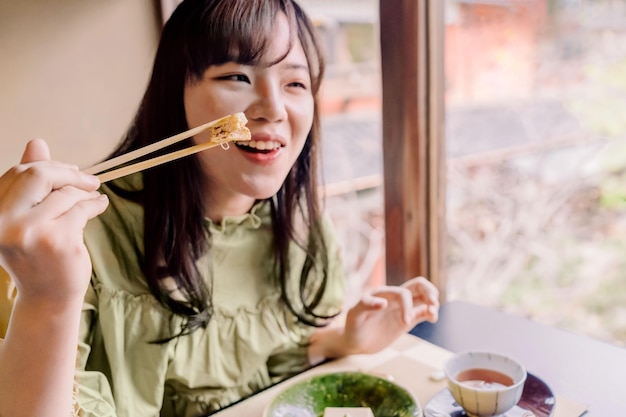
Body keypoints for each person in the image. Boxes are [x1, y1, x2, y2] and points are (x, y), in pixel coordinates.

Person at [0, 0, 439, 416]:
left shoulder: (301, 232)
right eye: (236, 77)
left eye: (295, 83)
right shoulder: (82, 235)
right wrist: (47, 299)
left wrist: (342, 340)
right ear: (177, 94)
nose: (273, 109)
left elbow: (261, 369)